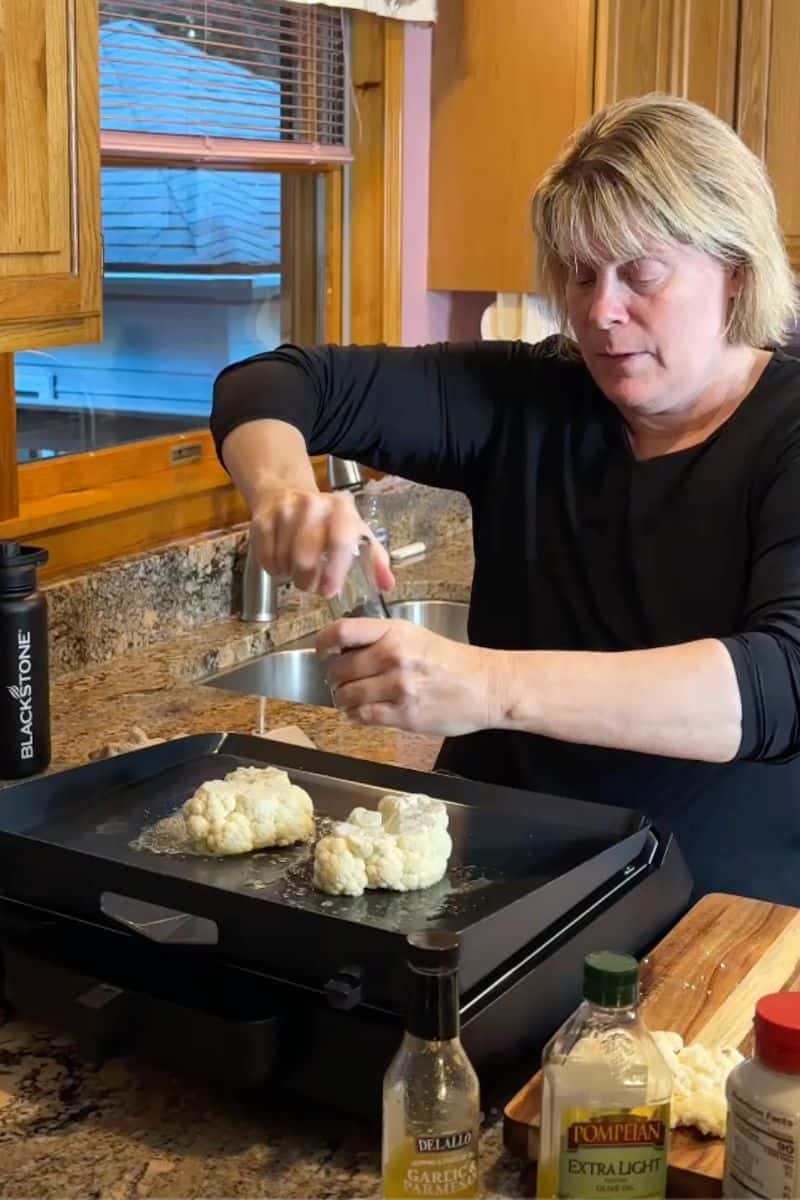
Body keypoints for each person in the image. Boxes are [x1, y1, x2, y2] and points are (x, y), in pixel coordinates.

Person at [211, 94, 800, 905]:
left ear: (734, 270)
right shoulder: (534, 394)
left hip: (713, 910)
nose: (600, 310)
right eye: (580, 273)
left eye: (642, 273)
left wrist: (487, 687)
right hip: (490, 884)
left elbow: (777, 683)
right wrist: (282, 494)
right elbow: (278, 382)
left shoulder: (788, 431)